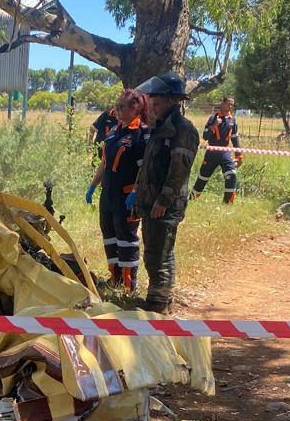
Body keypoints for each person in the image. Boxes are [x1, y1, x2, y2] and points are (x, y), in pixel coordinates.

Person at [127, 72, 199, 313]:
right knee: (153, 253)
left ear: (171, 100)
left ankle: (158, 306)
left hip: (164, 204)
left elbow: (178, 170)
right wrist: (139, 194)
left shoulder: (183, 129)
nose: (153, 105)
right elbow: (148, 165)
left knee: (161, 256)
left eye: (157, 101)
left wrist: (163, 200)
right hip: (150, 201)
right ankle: (160, 300)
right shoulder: (160, 127)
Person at [85, 89, 149, 290]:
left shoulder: (141, 133)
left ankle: (129, 286)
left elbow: (144, 168)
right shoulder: (114, 131)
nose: (117, 111)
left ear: (135, 108)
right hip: (108, 194)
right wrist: (93, 185)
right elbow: (105, 163)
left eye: (122, 107)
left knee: (126, 239)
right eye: (116, 107)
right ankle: (115, 280)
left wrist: (136, 192)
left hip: (126, 195)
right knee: (110, 235)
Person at [192, 95, 242, 204]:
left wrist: (239, 156)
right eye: (228, 104)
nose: (230, 106)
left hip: (225, 153)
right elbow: (205, 136)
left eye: (232, 105)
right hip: (211, 153)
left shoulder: (232, 120)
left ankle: (227, 203)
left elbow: (235, 139)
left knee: (231, 175)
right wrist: (214, 126)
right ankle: (192, 199)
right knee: (203, 177)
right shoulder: (213, 118)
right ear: (223, 103)